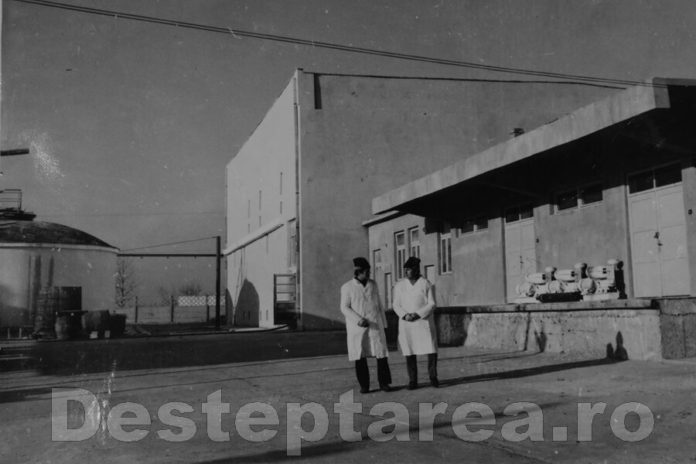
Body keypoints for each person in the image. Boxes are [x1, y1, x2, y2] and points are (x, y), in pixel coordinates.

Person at [340, 257, 392, 393]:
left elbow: (379, 304)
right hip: (358, 327)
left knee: (381, 353)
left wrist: (384, 324)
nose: (369, 274)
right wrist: (358, 319)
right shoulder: (347, 287)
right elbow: (344, 307)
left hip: (375, 324)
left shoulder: (373, 284)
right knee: (360, 355)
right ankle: (364, 385)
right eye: (367, 271)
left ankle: (384, 383)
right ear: (359, 272)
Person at [393, 256, 438, 389]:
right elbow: (396, 305)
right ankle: (413, 380)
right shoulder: (400, 285)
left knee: (431, 349)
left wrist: (417, 314)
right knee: (410, 350)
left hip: (423, 322)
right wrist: (405, 315)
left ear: (417, 269)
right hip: (407, 323)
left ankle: (433, 377)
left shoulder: (426, 283)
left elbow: (432, 304)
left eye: (409, 269)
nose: (407, 272)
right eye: (406, 269)